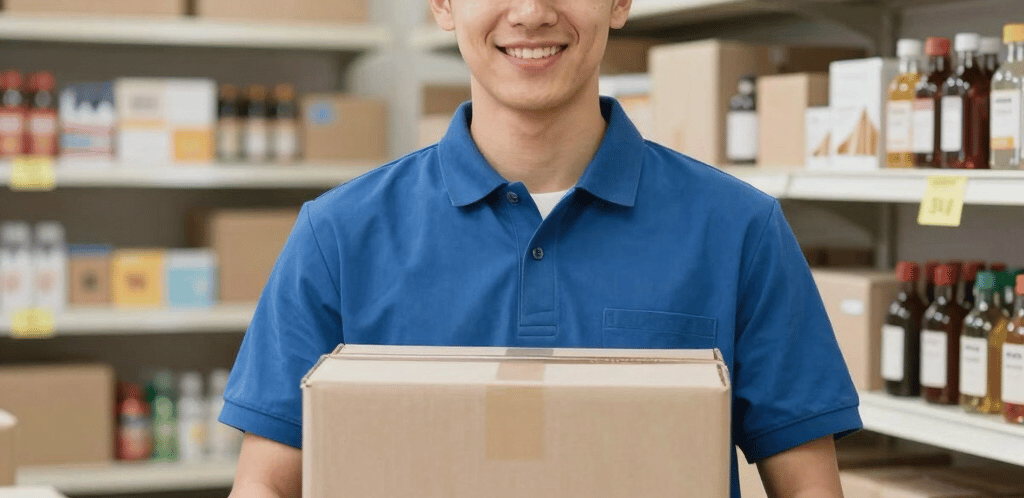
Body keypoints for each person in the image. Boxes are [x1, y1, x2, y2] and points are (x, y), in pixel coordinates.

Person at [221, 0, 862, 497]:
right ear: (442, 4)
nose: (530, 12)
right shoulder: (338, 235)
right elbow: (266, 482)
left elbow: (807, 483)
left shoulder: (739, 231)